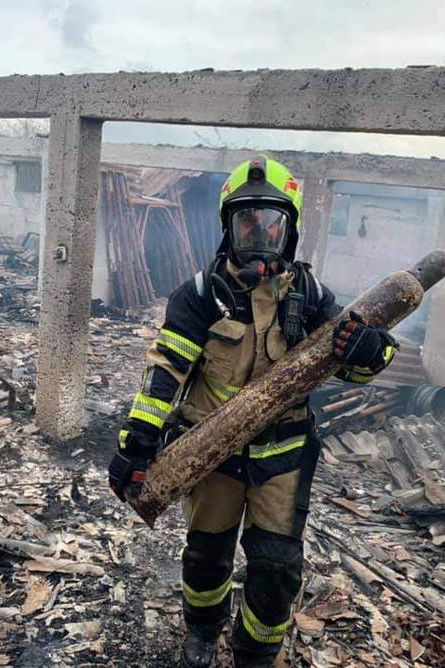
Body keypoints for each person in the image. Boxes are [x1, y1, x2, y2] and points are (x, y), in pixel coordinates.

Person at [109, 157, 395, 667]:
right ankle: (201, 633)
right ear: (228, 227)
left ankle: (255, 656)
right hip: (211, 458)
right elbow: (164, 373)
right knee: (205, 557)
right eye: (247, 222)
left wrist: (369, 350)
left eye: (271, 222)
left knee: (276, 568)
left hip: (281, 462)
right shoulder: (200, 296)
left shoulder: (310, 297)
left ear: (289, 231)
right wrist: (137, 441)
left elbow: (355, 368)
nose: (259, 234)